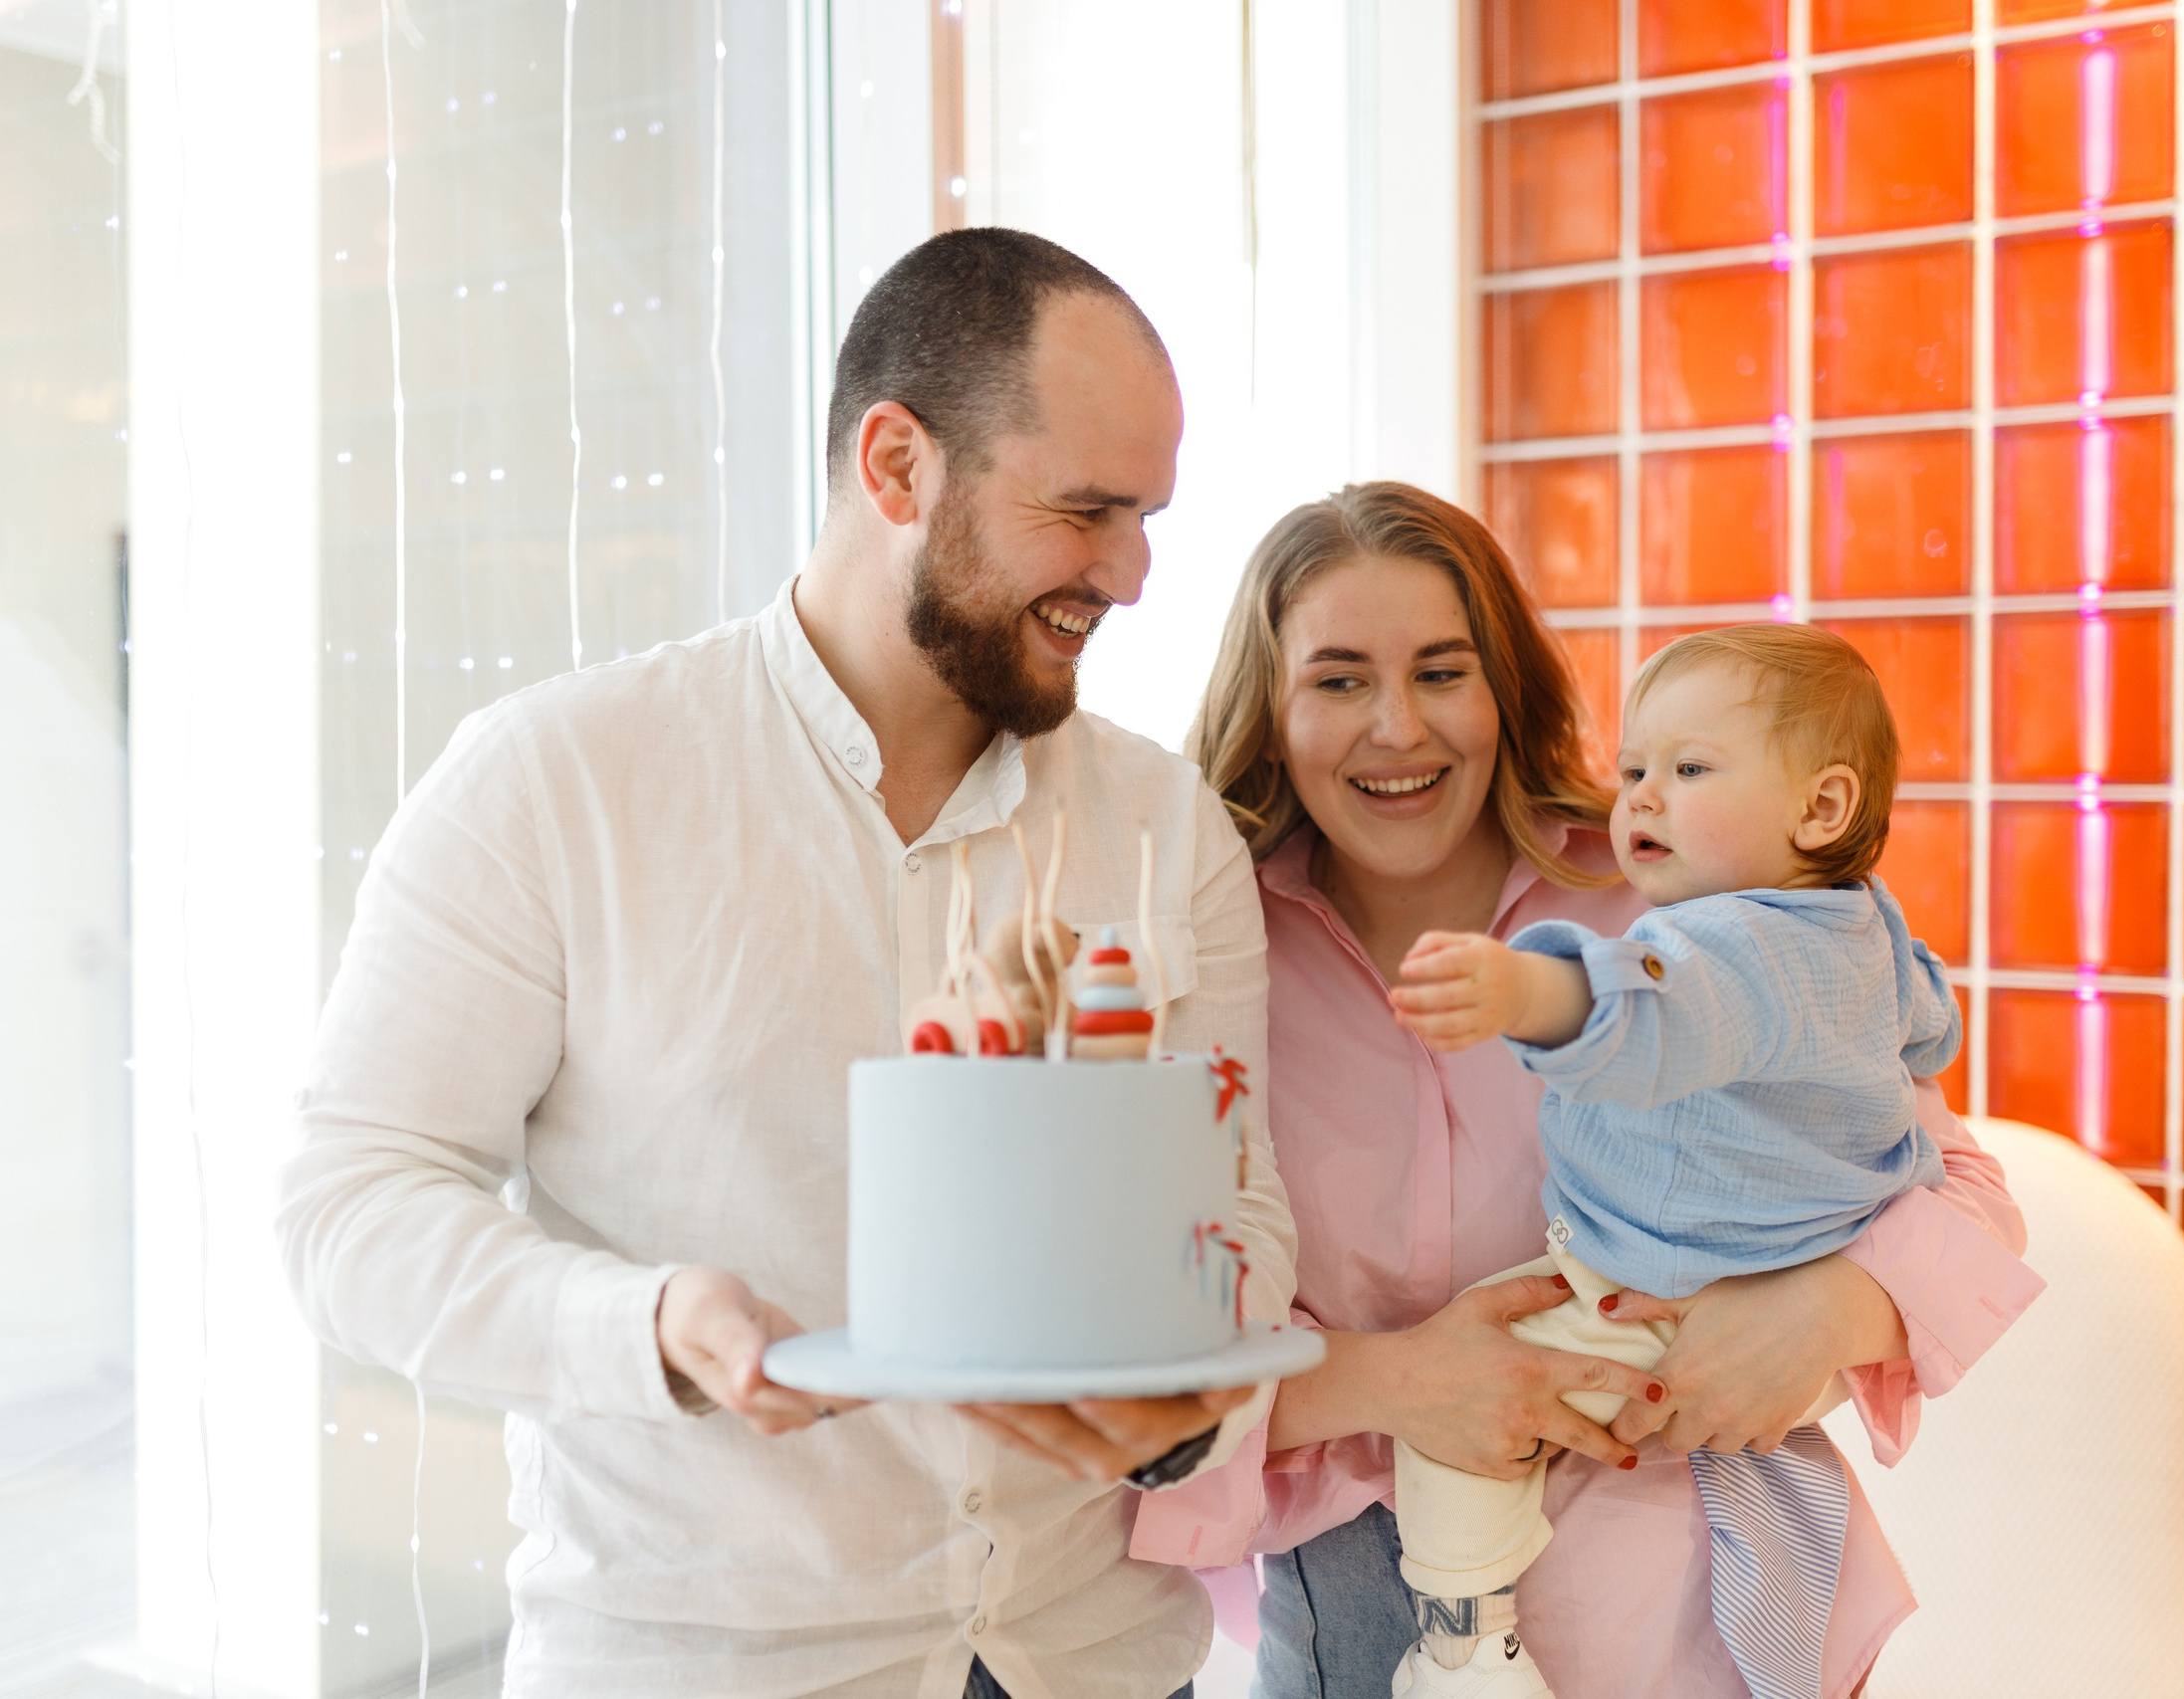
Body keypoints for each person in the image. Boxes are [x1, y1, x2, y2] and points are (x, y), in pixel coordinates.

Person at [275, 228, 1296, 1699]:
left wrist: (1185, 1394)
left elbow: (1238, 1190)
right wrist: (651, 1326)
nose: (1130, 575)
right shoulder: (557, 780)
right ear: (896, 468)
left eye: (1147, 518)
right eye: (1086, 511)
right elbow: (349, 1208)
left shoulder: (1160, 821)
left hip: (1094, 1659)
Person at [1132, 483, 2045, 1698]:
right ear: (1272, 706)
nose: (1396, 727)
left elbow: (1954, 1177)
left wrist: (1838, 1309)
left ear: (1504, 690)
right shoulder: (1200, 954)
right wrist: (1398, 1381)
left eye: (1443, 673)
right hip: (1364, 1632)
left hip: (1691, 1608)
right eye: (1338, 679)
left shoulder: (1672, 901)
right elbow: (1130, 1356)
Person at [1385, 624, 1963, 1698]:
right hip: (1784, 1287)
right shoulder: (1868, 927)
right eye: (1634, 770)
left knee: (1462, 1417)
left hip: (1656, 1306)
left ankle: (1464, 1643)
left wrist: (1524, 993)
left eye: (1688, 771)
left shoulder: (1731, 948)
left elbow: (1655, 1007)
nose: (1640, 800)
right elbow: (1930, 1024)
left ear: (1821, 810)